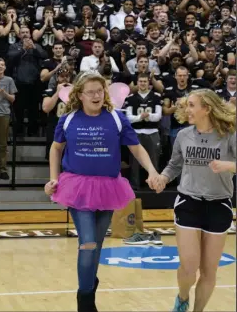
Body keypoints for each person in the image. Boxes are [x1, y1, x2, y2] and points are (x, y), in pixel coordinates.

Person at [44, 72, 159, 311]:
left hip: (108, 188)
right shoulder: (68, 119)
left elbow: (136, 148)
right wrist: (53, 179)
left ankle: (89, 283)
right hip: (77, 188)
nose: (96, 96)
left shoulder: (117, 118)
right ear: (80, 95)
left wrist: (152, 171)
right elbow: (56, 149)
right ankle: (85, 301)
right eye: (91, 92)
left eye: (100, 91)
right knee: (87, 243)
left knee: (96, 243)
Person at [152, 89, 236, 312]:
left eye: (191, 105)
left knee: (209, 271)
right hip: (188, 202)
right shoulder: (183, 135)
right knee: (189, 267)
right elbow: (174, 165)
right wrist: (163, 177)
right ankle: (182, 297)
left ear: (206, 108)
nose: (186, 109)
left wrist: (228, 166)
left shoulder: (229, 135)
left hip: (219, 205)